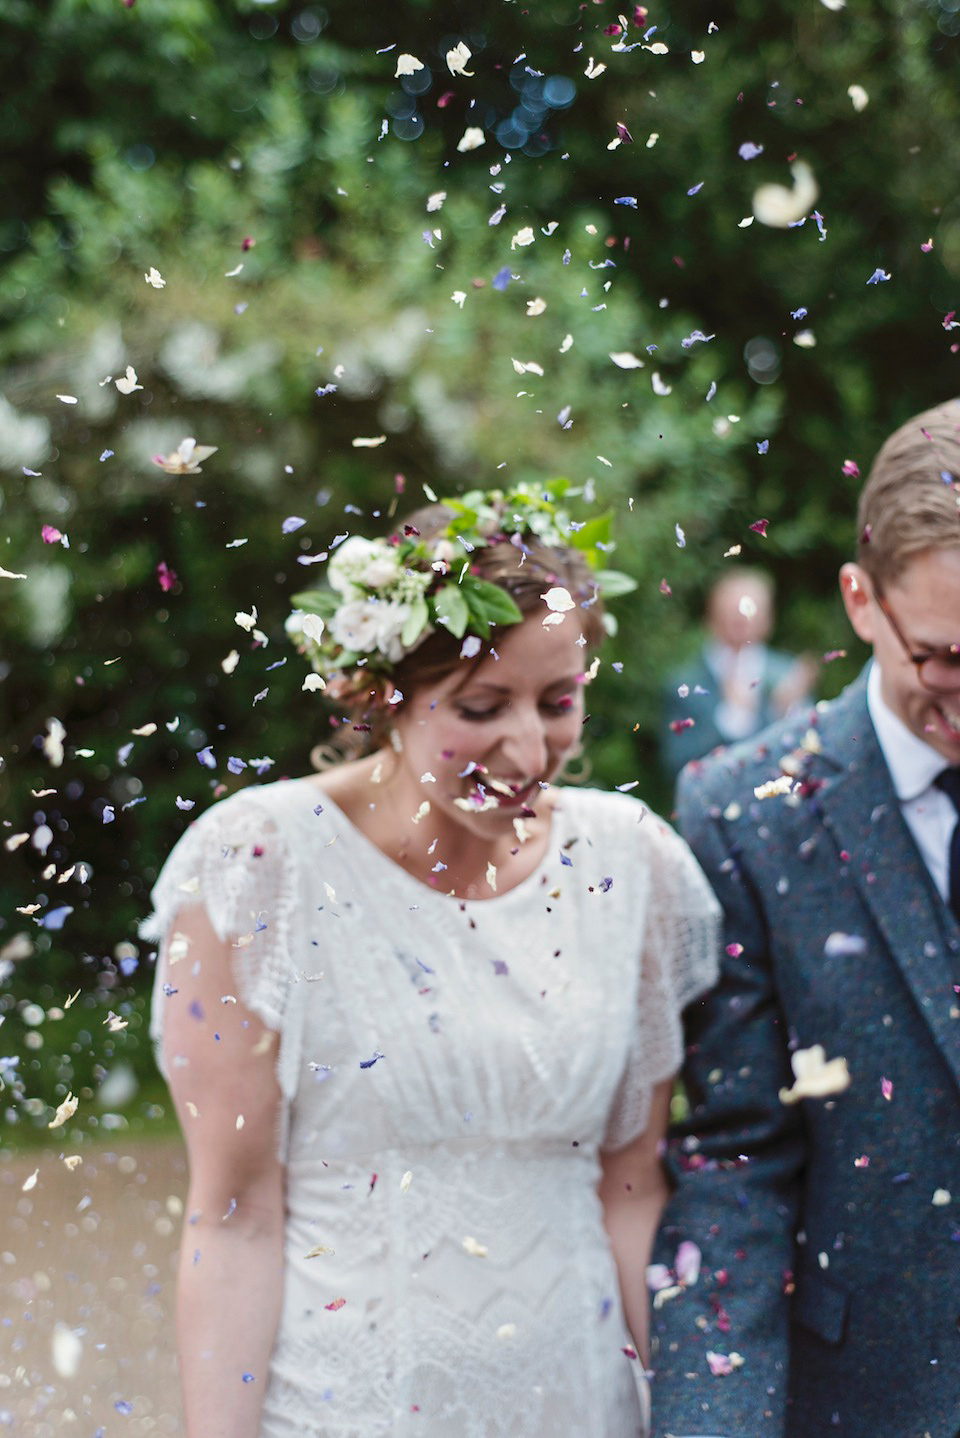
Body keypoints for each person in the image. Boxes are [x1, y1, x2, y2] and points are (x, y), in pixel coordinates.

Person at [143, 483, 720, 1438]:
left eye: (559, 701)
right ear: (383, 695)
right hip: (349, 1406)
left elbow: (633, 1192)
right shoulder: (260, 864)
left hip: (581, 1402)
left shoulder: (634, 866)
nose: (530, 748)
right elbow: (234, 1216)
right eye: (483, 706)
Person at [650, 399, 960, 1437]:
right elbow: (736, 1166)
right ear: (860, 600)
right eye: (942, 659)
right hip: (873, 1397)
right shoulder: (743, 816)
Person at [660, 568, 817, 782]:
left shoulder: (787, 674)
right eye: (732, 616)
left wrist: (785, 714)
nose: (741, 624)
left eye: (750, 613)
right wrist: (730, 720)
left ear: (768, 620)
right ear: (712, 618)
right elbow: (678, 767)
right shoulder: (684, 684)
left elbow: (809, 757)